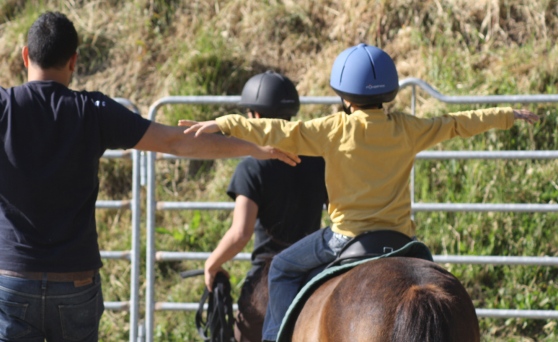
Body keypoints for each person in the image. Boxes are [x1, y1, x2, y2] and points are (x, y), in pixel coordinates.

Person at [181, 43, 540, 342]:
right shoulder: (408, 128)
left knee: (283, 270)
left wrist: (224, 123)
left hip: (344, 240)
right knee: (429, 273)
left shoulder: (333, 129)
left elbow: (276, 131)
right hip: (400, 239)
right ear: (389, 91)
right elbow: (461, 123)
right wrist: (507, 114)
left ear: (343, 95)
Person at [0, 11, 299, 342]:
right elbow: (177, 141)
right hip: (76, 280)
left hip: (12, 277)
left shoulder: (4, 108)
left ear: (26, 55)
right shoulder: (93, 111)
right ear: (74, 61)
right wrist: (252, 145)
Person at [200, 71, 327, 342]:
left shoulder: (252, 168)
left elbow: (240, 234)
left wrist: (212, 263)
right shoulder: (318, 161)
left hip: (267, 284)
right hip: (314, 274)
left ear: (257, 117)